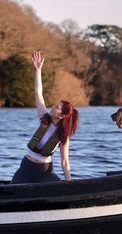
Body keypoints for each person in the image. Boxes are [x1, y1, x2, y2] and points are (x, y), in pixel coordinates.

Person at [11, 51, 79, 184]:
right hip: (26, 168)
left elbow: (65, 161)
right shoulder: (44, 117)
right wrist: (38, 70)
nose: (53, 107)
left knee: (59, 190)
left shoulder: (63, 135)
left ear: (63, 115)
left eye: (57, 107)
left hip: (45, 172)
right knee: (11, 191)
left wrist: (69, 182)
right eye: (55, 105)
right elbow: (38, 93)